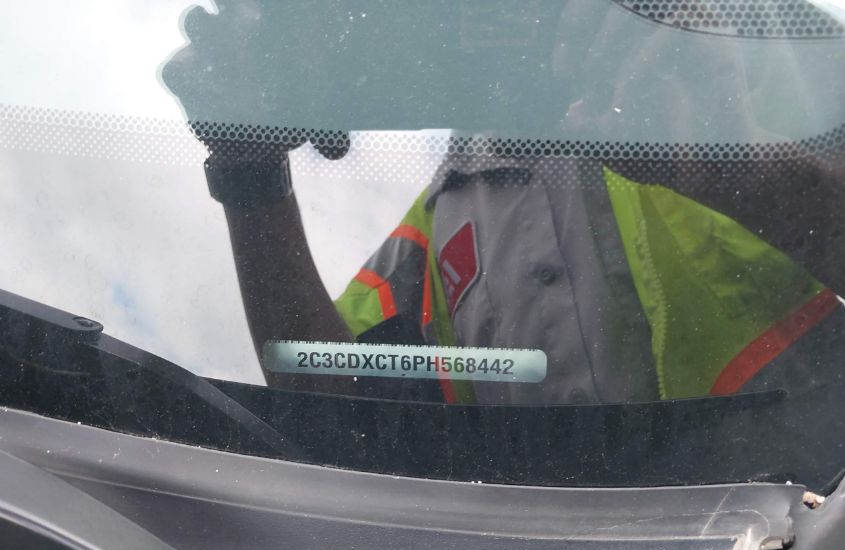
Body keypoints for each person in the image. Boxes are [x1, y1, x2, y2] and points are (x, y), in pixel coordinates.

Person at [163, 2, 845, 405]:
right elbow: (325, 398)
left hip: (795, 539)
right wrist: (249, 173)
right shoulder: (431, 231)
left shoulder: (753, 36)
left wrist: (744, 164)